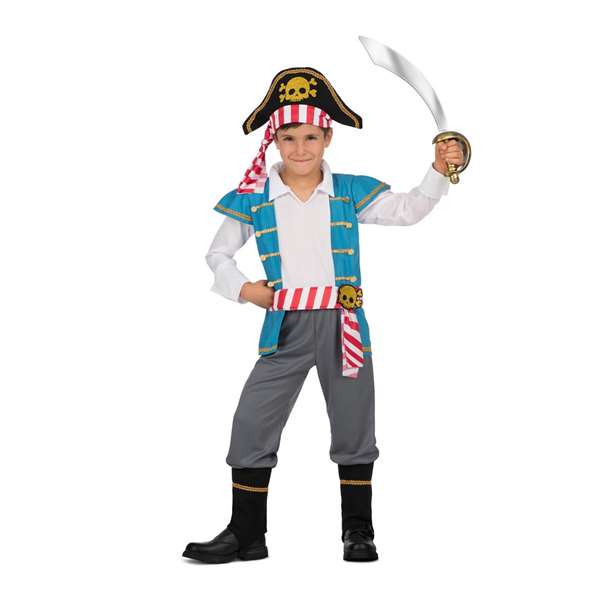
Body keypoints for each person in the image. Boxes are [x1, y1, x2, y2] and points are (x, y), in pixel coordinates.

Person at [182, 67, 464, 564]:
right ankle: (247, 533)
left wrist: (439, 170)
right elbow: (217, 254)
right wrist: (245, 289)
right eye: (289, 138)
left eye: (310, 137)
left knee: (354, 426)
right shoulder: (255, 196)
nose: (300, 148)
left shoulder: (349, 190)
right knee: (251, 421)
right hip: (285, 327)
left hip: (343, 325)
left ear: (327, 138)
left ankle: (358, 531)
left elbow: (410, 209)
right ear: (274, 142)